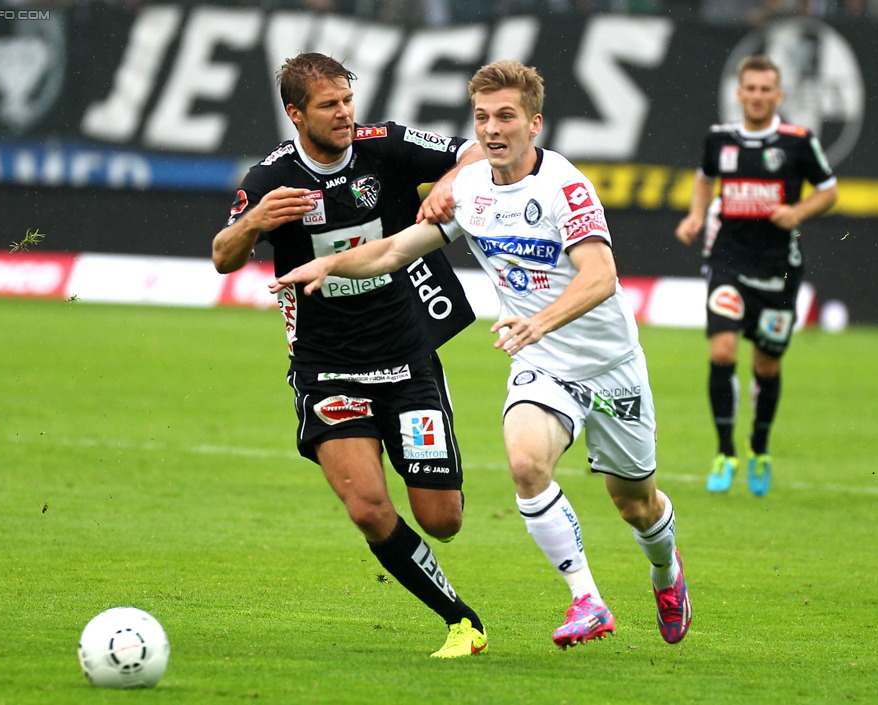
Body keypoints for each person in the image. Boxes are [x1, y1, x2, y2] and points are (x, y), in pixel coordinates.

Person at [272, 60, 692, 648]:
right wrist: (329, 262)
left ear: (535, 124)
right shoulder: (470, 190)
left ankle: (666, 574)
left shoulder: (563, 186)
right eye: (482, 118)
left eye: (506, 117)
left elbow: (600, 277)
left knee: (636, 503)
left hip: (610, 365)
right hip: (542, 364)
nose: (492, 129)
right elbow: (395, 251)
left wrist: (537, 322)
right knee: (525, 464)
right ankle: (587, 600)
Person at [212, 53, 489, 658]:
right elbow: (223, 256)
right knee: (366, 506)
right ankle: (461, 622)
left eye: (346, 101)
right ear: (294, 114)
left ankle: (437, 466)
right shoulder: (270, 180)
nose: (343, 115)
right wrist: (254, 222)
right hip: (327, 365)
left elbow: (474, 153)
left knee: (443, 519)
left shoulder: (385, 145)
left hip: (407, 358)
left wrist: (442, 186)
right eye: (327, 106)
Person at [674, 54, 838, 497]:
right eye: (752, 88)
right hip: (728, 259)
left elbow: (829, 191)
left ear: (778, 95)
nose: (759, 96)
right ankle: (725, 451)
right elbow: (704, 178)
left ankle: (759, 447)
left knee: (767, 365)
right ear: (740, 93)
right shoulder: (720, 140)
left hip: (779, 269)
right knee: (723, 351)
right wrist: (694, 215)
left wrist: (797, 211)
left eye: (767, 89)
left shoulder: (799, 141)